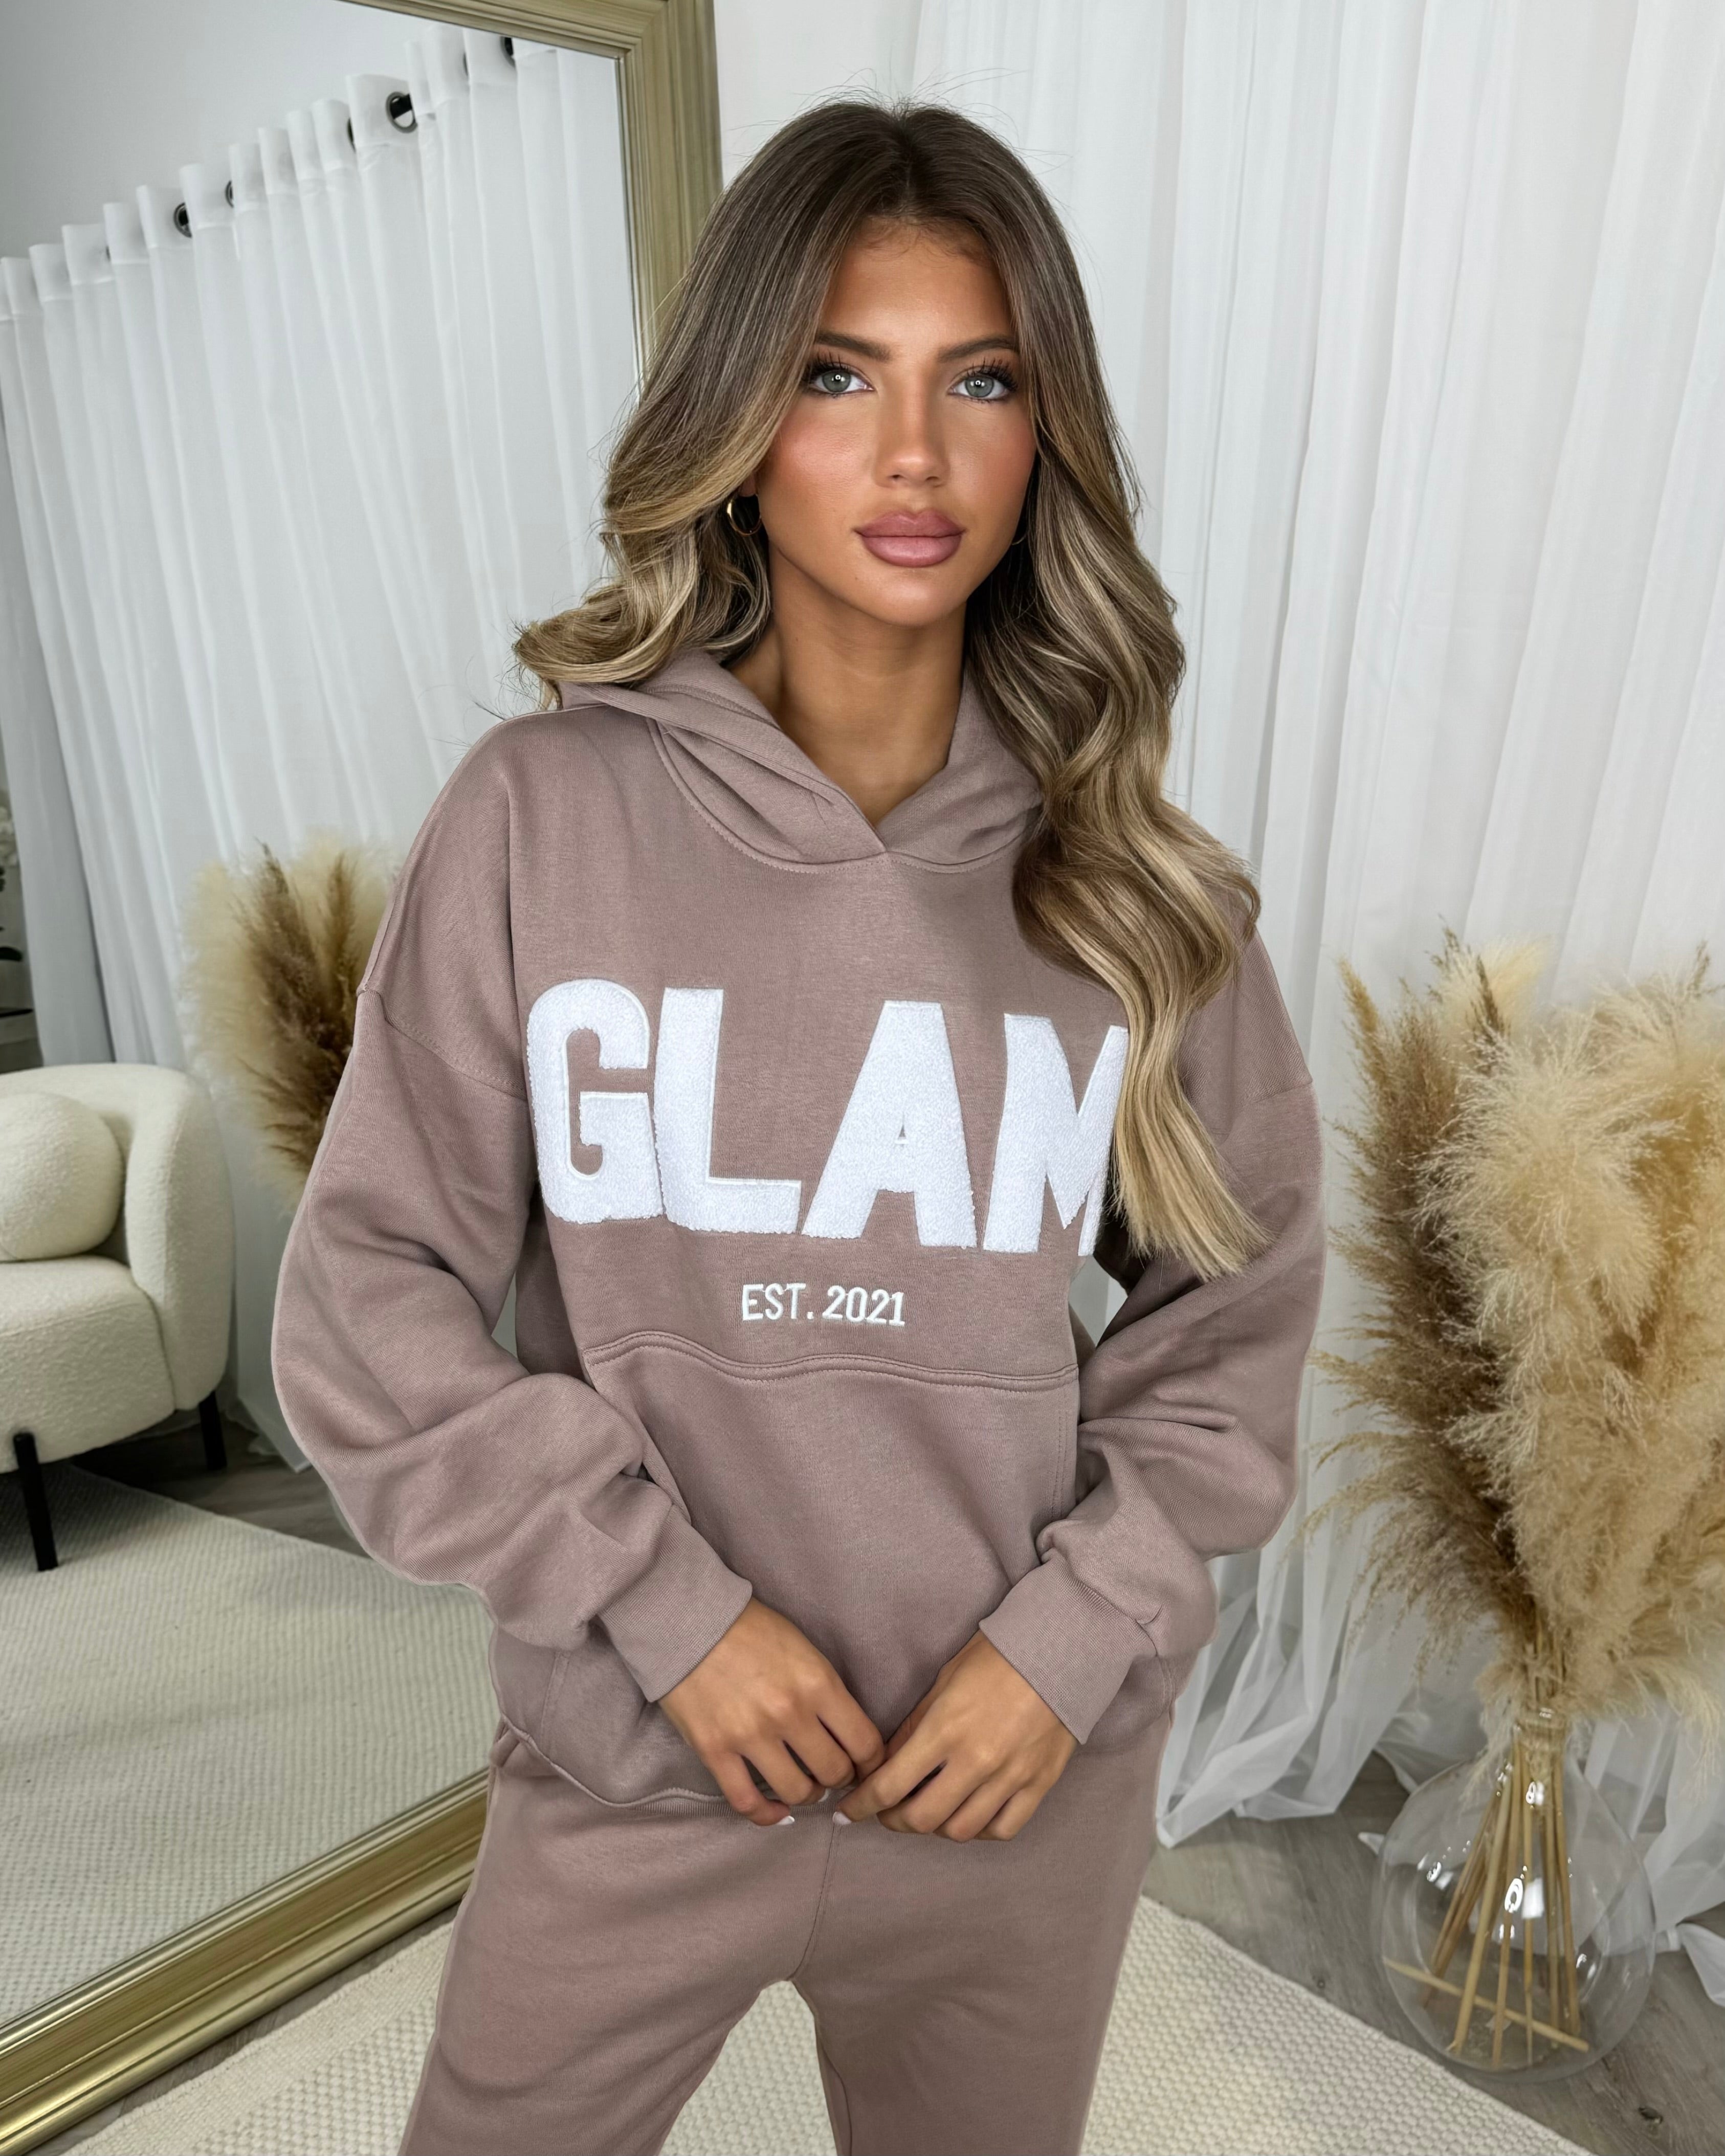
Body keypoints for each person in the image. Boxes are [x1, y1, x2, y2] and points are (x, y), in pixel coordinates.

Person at [270, 94, 1326, 2156]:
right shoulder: (542, 818)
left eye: (981, 381)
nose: (914, 453)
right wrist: (668, 1610)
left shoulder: (1135, 885)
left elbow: (1242, 1306)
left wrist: (1071, 1638)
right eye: (840, 375)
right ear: (743, 420)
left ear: (1046, 433)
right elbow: (365, 1298)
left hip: (1007, 1784)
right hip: (637, 1770)